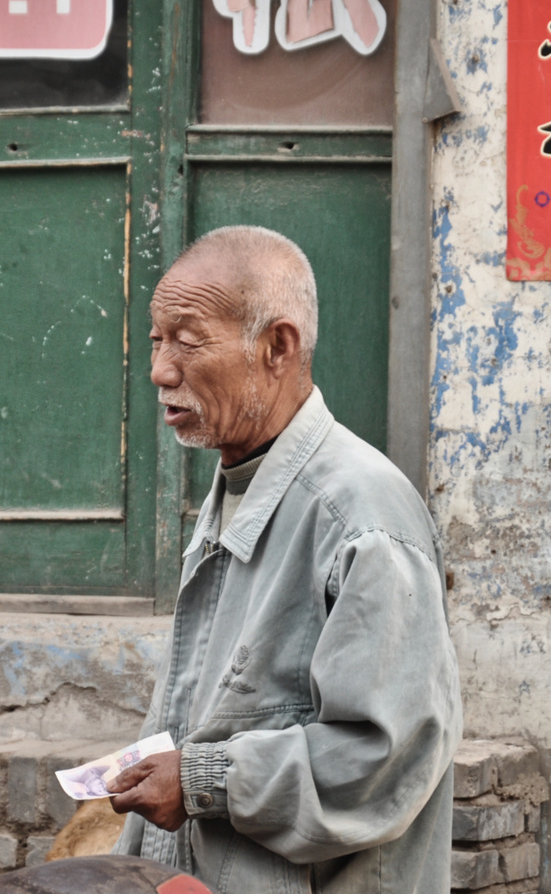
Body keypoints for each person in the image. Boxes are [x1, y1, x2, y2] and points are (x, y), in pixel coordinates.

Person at [109, 226, 462, 894]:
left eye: (186, 340)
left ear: (277, 346)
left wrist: (201, 779)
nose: (159, 369)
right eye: (156, 340)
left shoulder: (360, 513)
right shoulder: (238, 484)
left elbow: (384, 758)